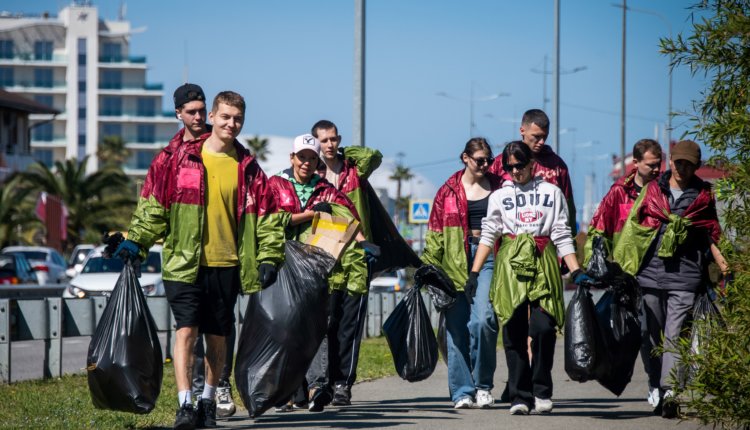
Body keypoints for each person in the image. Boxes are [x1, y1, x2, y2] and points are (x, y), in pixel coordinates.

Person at [116, 90, 271, 429]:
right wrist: (136, 242)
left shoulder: (248, 167)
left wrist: (269, 256)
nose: (231, 123)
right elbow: (153, 208)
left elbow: (267, 217)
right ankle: (185, 404)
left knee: (217, 336)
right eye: (226, 117)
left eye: (238, 119)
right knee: (186, 330)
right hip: (183, 263)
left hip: (227, 263)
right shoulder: (174, 159)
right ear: (213, 117)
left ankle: (207, 401)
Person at [469, 141, 590, 415]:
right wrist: (474, 273)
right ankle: (519, 396)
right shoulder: (500, 196)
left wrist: (576, 269)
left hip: (543, 259)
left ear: (532, 164)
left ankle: (542, 390)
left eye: (519, 165)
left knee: (543, 328)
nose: (515, 171)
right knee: (513, 331)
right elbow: (489, 234)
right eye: (510, 167)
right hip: (511, 264)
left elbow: (561, 233)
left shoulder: (552, 193)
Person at [260, 133, 377, 413]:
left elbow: (347, 215)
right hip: (284, 265)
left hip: (315, 267)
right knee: (286, 329)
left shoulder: (325, 188)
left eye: (313, 158)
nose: (307, 163)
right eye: (302, 157)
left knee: (316, 328)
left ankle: (317, 388)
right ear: (292, 158)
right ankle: (285, 392)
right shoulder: (276, 185)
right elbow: (269, 220)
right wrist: (310, 215)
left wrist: (364, 243)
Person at [612, 140, 728, 419]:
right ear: (671, 162)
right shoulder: (653, 190)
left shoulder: (702, 195)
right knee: (652, 336)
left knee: (675, 335)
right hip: (650, 274)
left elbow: (710, 231)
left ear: (697, 167)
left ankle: (671, 391)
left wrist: (721, 260)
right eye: (679, 162)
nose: (683, 168)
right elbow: (634, 228)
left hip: (686, 276)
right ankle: (656, 384)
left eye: (689, 164)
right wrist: (623, 263)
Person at [419, 137, 504, 409]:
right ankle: (462, 392)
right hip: (454, 260)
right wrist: (429, 267)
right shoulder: (448, 191)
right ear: (465, 158)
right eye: (480, 160)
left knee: (484, 319)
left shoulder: (500, 186)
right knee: (456, 329)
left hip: (489, 256)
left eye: (488, 159)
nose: (485, 164)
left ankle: (483, 385)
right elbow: (434, 232)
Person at [583, 138, 663, 408]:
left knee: (660, 330)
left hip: (660, 269)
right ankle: (655, 383)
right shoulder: (618, 193)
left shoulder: (663, 190)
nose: (655, 169)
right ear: (636, 163)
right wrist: (594, 262)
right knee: (641, 331)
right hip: (629, 275)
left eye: (658, 164)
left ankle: (661, 382)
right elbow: (598, 228)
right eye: (650, 165)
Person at [311, 119, 383, 406]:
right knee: (324, 324)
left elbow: (374, 156)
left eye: (333, 139)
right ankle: (321, 384)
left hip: (354, 257)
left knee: (348, 325)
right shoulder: (311, 173)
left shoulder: (353, 170)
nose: (329, 145)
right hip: (322, 257)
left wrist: (345, 154)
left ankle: (343, 384)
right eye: (323, 141)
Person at [489, 109, 576, 235]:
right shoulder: (500, 163)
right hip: (510, 246)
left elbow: (568, 209)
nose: (541, 142)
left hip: (546, 245)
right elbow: (489, 207)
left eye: (544, 136)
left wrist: (570, 244)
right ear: (522, 131)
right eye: (536, 136)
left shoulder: (557, 166)